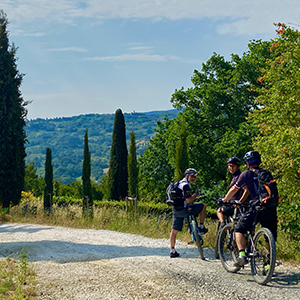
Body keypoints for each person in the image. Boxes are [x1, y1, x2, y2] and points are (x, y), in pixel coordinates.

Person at [221, 151, 278, 267]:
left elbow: (234, 189)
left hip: (257, 207)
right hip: (271, 207)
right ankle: (268, 264)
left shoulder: (246, 174)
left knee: (238, 229)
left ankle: (242, 255)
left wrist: (224, 200)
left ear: (247, 163)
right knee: (269, 235)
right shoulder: (266, 173)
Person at [169, 168, 208, 258]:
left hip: (176, 210)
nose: (193, 178)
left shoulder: (178, 183)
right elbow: (189, 200)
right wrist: (196, 195)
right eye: (192, 176)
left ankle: (172, 250)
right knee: (203, 206)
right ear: (187, 176)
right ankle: (201, 226)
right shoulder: (185, 185)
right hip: (184, 210)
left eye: (195, 177)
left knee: (174, 231)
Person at [216, 157, 246, 227]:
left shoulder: (238, 177)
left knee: (219, 211)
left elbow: (245, 190)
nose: (231, 168)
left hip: (236, 205)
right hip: (236, 204)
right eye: (229, 166)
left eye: (233, 166)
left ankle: (223, 227)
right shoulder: (235, 177)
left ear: (238, 167)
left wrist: (239, 201)